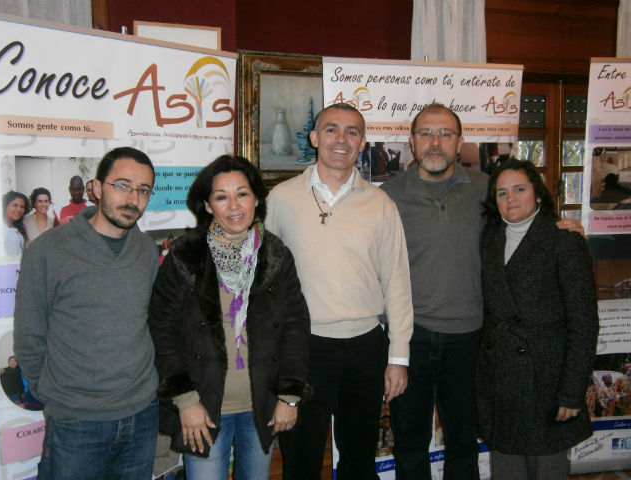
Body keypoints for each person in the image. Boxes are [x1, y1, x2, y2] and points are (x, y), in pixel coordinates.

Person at [380, 103, 584, 480]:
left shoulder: (487, 189)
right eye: (426, 133)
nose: (435, 142)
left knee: (463, 441)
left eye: (446, 134)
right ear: (411, 142)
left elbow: (523, 221)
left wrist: (561, 227)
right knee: (409, 442)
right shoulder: (386, 197)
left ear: (460, 142)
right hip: (410, 338)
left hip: (472, 339)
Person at [266, 103, 413, 480]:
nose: (341, 139)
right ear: (315, 138)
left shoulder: (380, 204)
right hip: (303, 349)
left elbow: (397, 280)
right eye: (331, 129)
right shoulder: (280, 199)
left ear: (362, 142)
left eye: (352, 132)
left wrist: (398, 356)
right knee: (301, 458)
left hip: (365, 349)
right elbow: (262, 281)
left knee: (359, 459)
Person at [148, 155, 311, 480]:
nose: (234, 205)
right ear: (207, 205)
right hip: (203, 408)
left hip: (260, 407)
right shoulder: (185, 255)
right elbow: (161, 328)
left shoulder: (275, 254)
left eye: (242, 193)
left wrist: (290, 396)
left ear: (257, 199)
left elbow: (295, 326)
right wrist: (185, 400)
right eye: (221, 196)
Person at [14, 147, 160, 480]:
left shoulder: (146, 250)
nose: (132, 198)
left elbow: (150, 322)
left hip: (141, 415)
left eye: (143, 190)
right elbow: (29, 336)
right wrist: (57, 395)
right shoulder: (48, 251)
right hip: (76, 422)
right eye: (122, 185)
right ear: (96, 188)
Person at [476, 158, 599, 479]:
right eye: (502, 193)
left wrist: (572, 391)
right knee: (506, 470)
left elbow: (584, 323)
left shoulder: (564, 241)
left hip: (546, 379)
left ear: (539, 195)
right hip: (500, 376)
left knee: (547, 470)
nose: (510, 199)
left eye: (519, 189)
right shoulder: (490, 238)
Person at [2, 191, 30, 256]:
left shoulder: (15, 228)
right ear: (5, 206)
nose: (19, 209)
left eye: (22, 207)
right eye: (15, 205)